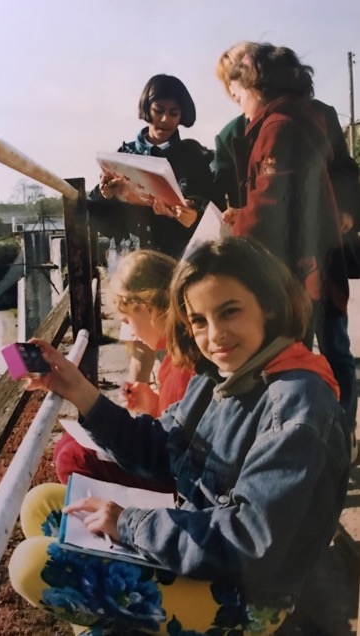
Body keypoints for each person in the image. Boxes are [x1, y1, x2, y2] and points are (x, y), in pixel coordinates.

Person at [9, 237, 349, 636]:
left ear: (269, 305)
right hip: (206, 547)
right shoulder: (219, 375)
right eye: (199, 320)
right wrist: (78, 390)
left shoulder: (296, 406)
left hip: (251, 595)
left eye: (230, 311)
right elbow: (163, 448)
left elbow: (249, 541)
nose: (215, 334)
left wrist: (130, 524)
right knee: (43, 506)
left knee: (33, 566)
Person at [217, 43, 358, 454]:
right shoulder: (287, 119)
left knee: (303, 352)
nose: (238, 105)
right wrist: (245, 212)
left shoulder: (278, 126)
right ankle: (336, 436)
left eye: (239, 95)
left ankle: (325, 440)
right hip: (314, 258)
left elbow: (271, 201)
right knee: (323, 348)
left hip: (304, 266)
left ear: (256, 86)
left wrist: (238, 226)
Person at [89, 73, 215, 385]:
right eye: (158, 110)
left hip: (177, 263)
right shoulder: (124, 154)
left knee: (184, 348)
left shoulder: (195, 156)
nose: (165, 120)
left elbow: (206, 208)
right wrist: (104, 194)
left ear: (183, 114)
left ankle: (178, 407)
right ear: (147, 108)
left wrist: (187, 212)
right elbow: (96, 218)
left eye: (174, 112)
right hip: (135, 264)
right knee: (140, 353)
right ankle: (139, 407)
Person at [53, 249, 194, 490]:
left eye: (127, 321)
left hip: (176, 478)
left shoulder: (185, 366)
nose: (131, 332)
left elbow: (173, 444)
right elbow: (178, 420)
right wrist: (153, 405)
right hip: (170, 463)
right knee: (67, 444)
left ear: (149, 308)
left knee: (72, 457)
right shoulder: (176, 356)